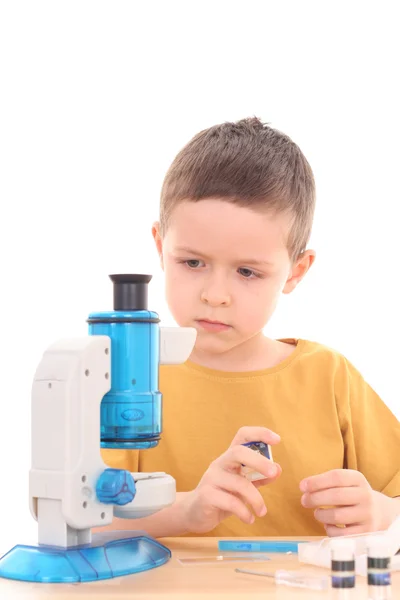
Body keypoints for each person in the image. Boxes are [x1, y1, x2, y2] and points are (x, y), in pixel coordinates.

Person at [101, 117, 400, 538]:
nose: (215, 294)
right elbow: (82, 522)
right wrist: (188, 511)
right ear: (159, 246)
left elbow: (394, 500)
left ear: (296, 272)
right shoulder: (124, 380)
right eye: (192, 262)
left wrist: (385, 514)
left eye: (247, 271)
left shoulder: (329, 378)